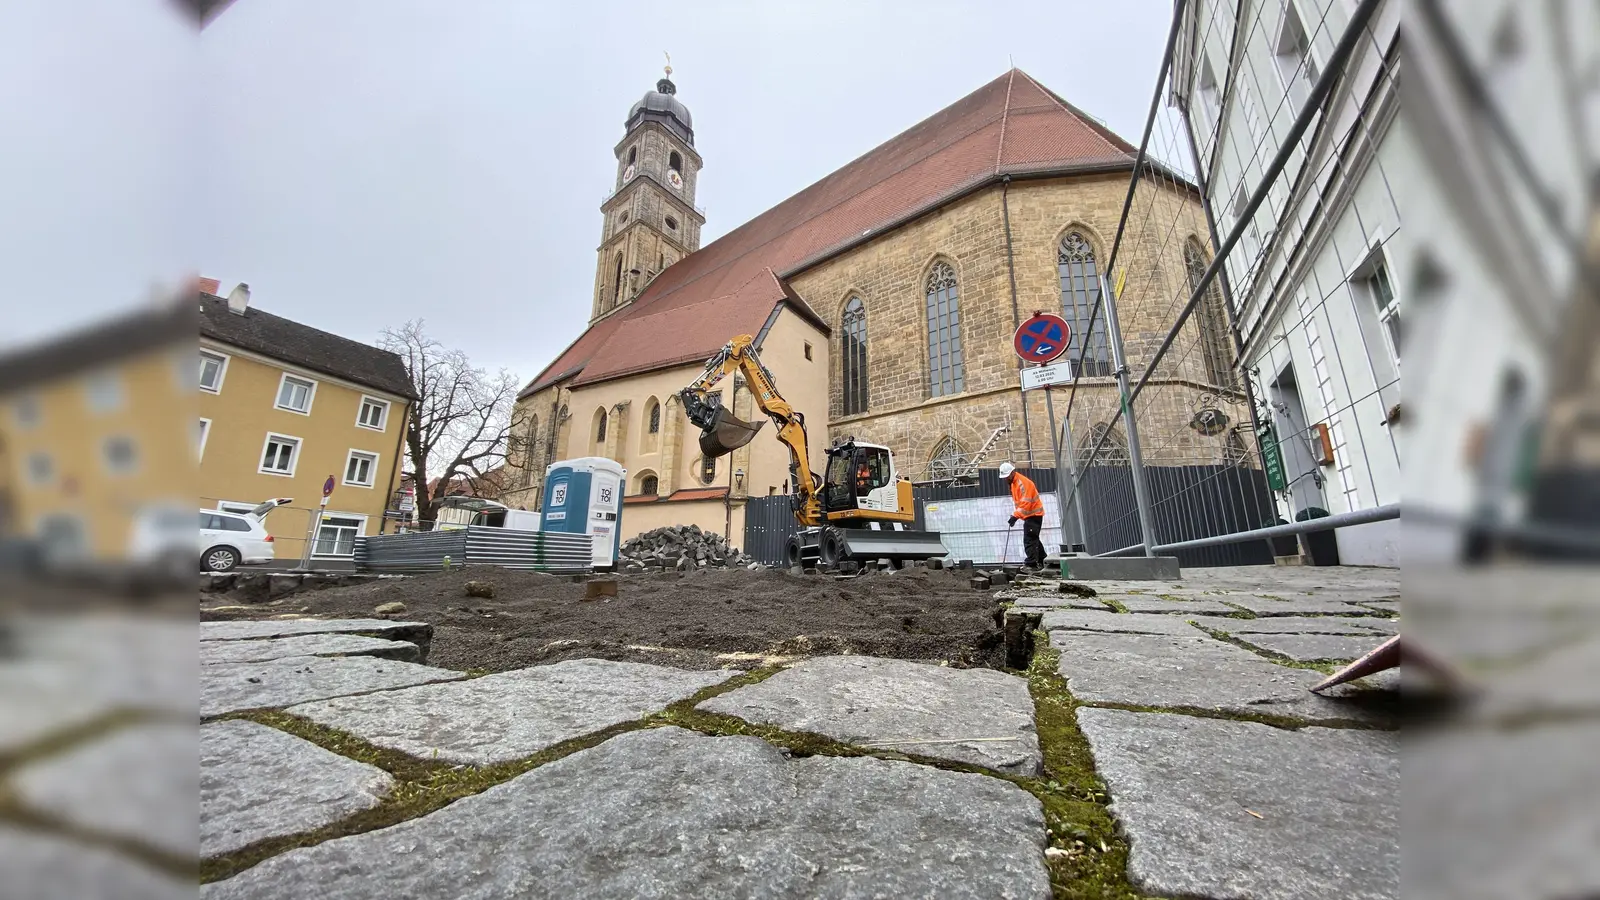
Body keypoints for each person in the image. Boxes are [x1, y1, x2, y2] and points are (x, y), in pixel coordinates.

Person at [1000, 461, 1046, 570]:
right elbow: (1021, 503)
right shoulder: (1014, 483)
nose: (1005, 479)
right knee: (1033, 538)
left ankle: (1031, 564)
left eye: (1006, 476)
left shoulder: (1022, 483)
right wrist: (1016, 516)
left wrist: (1015, 516)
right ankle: (1043, 560)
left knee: (1029, 539)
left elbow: (1025, 503)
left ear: (1012, 473)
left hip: (1034, 514)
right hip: (1031, 515)